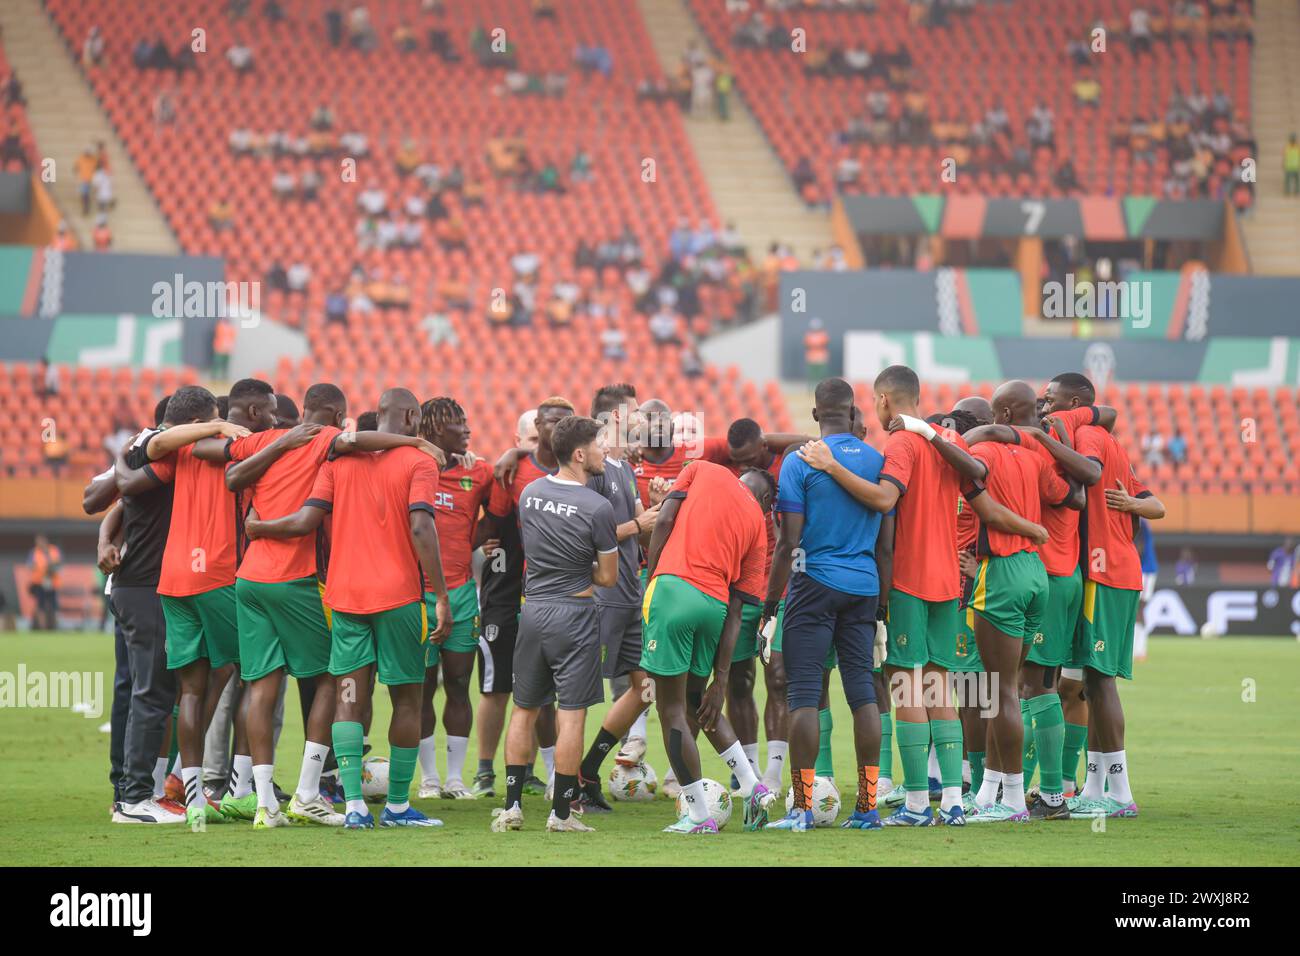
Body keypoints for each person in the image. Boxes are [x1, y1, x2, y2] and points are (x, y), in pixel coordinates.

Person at [245, 388, 452, 829]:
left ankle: (354, 806)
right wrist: (442, 595)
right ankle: (397, 807)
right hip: (398, 598)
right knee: (407, 699)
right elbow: (420, 524)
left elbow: (307, 519)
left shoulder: (338, 463)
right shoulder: (421, 461)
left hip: (345, 598)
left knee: (349, 697)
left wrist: (258, 527)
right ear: (413, 416)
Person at [120, 385, 256, 826]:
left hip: (173, 578)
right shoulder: (232, 448)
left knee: (192, 689)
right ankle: (244, 791)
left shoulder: (174, 452)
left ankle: (191, 796)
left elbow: (137, 471)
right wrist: (219, 427)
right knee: (258, 674)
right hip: (215, 573)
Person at [763, 379, 885, 831]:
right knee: (863, 693)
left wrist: (771, 605)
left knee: (803, 696)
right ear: (853, 413)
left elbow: (787, 541)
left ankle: (802, 809)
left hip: (813, 583)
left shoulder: (799, 461)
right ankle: (868, 807)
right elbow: (887, 546)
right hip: (865, 587)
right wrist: (883, 609)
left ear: (816, 415)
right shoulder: (877, 461)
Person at [491, 415, 618, 833]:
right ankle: (561, 814)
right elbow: (607, 577)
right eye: (598, 445)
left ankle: (511, 807)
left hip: (532, 612)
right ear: (580, 454)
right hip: (574, 614)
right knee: (572, 716)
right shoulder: (598, 507)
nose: (603, 452)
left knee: (523, 710)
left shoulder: (529, 494)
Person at [640, 459, 778, 833]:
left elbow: (664, 520)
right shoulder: (759, 529)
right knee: (699, 704)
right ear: (766, 501)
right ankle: (752, 786)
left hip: (674, 590)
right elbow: (737, 610)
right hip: (713, 607)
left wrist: (654, 579)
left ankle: (699, 816)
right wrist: (721, 678)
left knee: (671, 709)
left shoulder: (703, 469)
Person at [1065, 405, 1165, 819]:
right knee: (1091, 682)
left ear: (1073, 405)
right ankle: (1094, 785)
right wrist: (1133, 503)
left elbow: (1154, 507)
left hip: (1104, 574)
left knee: (1101, 682)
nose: (1046, 405)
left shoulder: (1089, 436)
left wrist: (1128, 503)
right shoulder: (1115, 447)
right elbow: (1155, 504)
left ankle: (1121, 793)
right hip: (1116, 573)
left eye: (1052, 399)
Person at [573, 387, 660, 811]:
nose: (643, 421)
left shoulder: (625, 469)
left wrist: (655, 513)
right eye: (636, 415)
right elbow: (588, 535)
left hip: (630, 597)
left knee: (646, 688)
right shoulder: (594, 470)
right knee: (580, 694)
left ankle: (588, 772)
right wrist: (635, 524)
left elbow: (637, 530)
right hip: (602, 600)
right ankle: (567, 786)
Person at [471, 405, 556, 798]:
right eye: (533, 441)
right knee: (495, 686)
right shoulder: (504, 475)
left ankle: (540, 770)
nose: (542, 445)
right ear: (520, 442)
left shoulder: (563, 478)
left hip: (545, 595)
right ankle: (484, 769)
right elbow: (477, 528)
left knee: (542, 689)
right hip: (502, 594)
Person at [416, 397, 494, 799]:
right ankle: (428, 778)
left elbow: (498, 515)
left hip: (462, 593)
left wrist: (470, 543)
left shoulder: (478, 472)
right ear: (433, 429)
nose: (467, 430)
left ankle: (455, 778)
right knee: (422, 686)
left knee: (460, 684)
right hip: (417, 595)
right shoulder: (413, 465)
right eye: (458, 424)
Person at [27, 534, 62, 631]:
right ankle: (42, 628)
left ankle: (55, 627)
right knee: (40, 605)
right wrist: (38, 568)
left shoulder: (54, 550)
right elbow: (30, 565)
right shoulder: (34, 552)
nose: (39, 543)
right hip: (39, 583)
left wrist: (51, 568)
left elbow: (59, 564)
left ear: (45, 541)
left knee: (54, 606)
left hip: (52, 582)